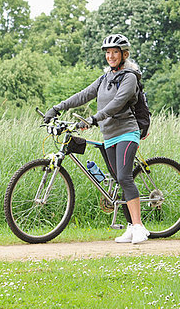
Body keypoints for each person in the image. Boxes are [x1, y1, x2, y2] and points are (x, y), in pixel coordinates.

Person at [43, 34, 150, 244]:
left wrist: (93, 119)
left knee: (125, 177)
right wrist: (57, 107)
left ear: (124, 54)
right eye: (108, 53)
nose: (110, 56)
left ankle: (138, 227)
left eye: (115, 52)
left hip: (127, 132)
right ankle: (130, 226)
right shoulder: (105, 78)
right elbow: (83, 95)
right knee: (119, 179)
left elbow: (117, 104)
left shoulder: (130, 77)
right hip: (109, 135)